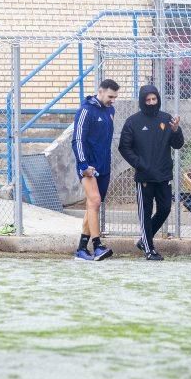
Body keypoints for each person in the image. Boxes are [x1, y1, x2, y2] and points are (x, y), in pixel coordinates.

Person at [118, 85, 184, 261]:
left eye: (154, 99)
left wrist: (176, 130)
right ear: (142, 101)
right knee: (145, 212)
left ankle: (144, 241)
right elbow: (124, 147)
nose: (151, 103)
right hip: (144, 177)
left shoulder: (167, 119)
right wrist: (139, 164)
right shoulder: (133, 122)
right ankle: (149, 249)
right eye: (148, 100)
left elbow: (178, 144)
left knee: (164, 209)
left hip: (163, 175)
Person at [71, 79, 120, 261]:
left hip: (104, 166)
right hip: (88, 166)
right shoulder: (86, 110)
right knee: (95, 201)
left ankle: (81, 249)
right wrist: (84, 165)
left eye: (115, 97)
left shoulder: (110, 111)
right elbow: (77, 140)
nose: (113, 100)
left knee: (93, 205)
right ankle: (97, 245)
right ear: (100, 91)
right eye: (110, 96)